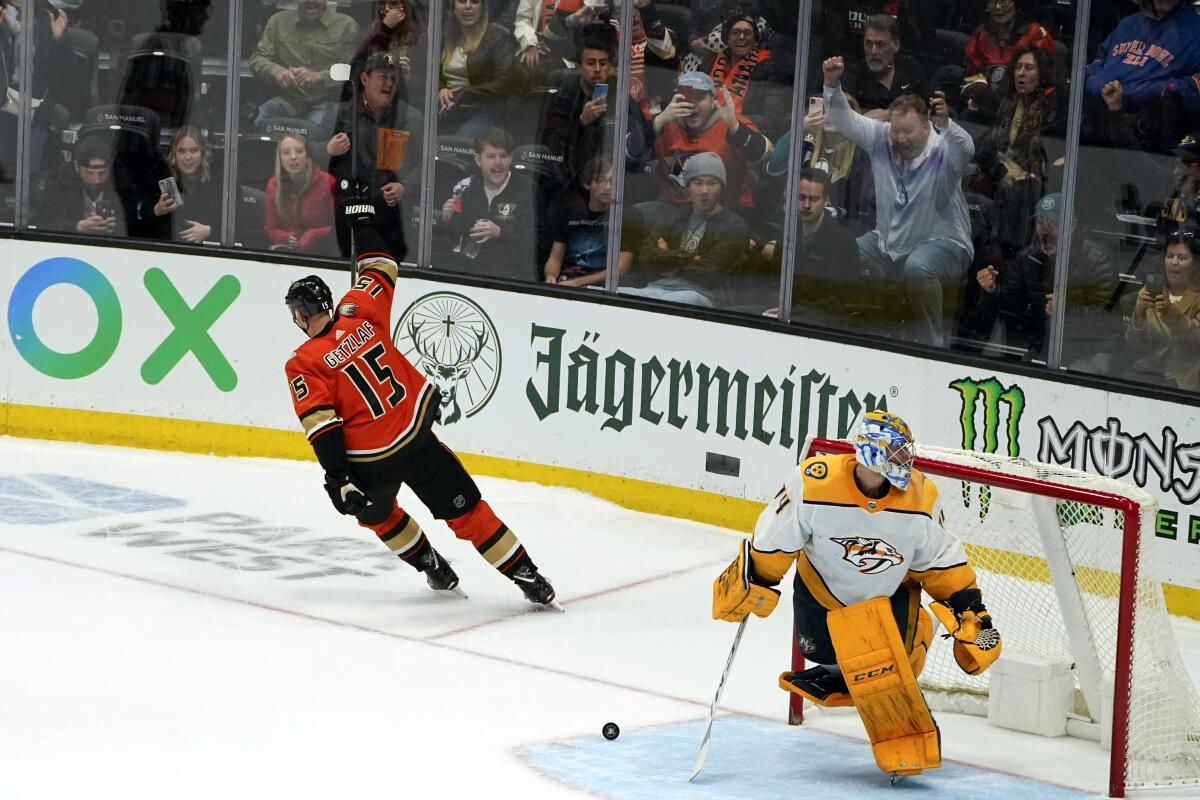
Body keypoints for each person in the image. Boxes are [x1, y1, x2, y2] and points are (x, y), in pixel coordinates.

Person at [283, 190, 557, 606]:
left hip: (370, 458)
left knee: (377, 514)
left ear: (301, 315)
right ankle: (528, 576)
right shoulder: (359, 309)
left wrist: (338, 477)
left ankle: (431, 565)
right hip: (415, 434)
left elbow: (324, 426)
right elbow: (382, 264)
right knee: (467, 512)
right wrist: (362, 222)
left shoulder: (304, 361)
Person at [711, 410, 1002, 778]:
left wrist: (970, 609)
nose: (905, 461)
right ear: (871, 453)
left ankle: (912, 644)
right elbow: (776, 535)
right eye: (896, 454)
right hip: (822, 595)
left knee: (887, 674)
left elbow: (942, 560)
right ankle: (845, 671)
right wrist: (758, 577)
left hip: (888, 598)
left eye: (904, 453)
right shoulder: (814, 484)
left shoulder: (921, 495)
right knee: (819, 655)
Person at [824, 56, 976, 348]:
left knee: (919, 267)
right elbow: (844, 119)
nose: (901, 138)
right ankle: (851, 333)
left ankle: (934, 347)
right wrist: (832, 85)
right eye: (896, 130)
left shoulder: (942, 148)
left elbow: (966, 148)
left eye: (908, 131)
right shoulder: (882, 138)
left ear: (925, 128)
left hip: (945, 243)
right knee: (845, 251)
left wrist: (947, 124)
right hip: (890, 243)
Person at [974, 192, 1118, 366]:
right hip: (1045, 348)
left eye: (1053, 224)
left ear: (1072, 226)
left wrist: (1069, 311)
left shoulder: (1099, 260)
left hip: (1092, 349)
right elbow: (1009, 312)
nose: (1045, 231)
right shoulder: (1027, 259)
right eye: (1040, 222)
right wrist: (991, 291)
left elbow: (1107, 319)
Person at [624, 151, 748, 309]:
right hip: (656, 289)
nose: (705, 190)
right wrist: (686, 258)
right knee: (609, 293)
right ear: (688, 186)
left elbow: (709, 272)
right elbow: (646, 256)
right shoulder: (671, 216)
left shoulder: (734, 225)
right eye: (697, 183)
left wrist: (666, 260)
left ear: (721, 187)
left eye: (712, 183)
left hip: (700, 295)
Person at [328, 50, 421, 258]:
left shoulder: (411, 117)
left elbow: (426, 165)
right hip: (347, 211)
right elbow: (308, 152)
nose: (388, 84)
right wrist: (327, 150)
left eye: (393, 78)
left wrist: (404, 186)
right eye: (382, 77)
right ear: (364, 79)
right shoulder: (342, 113)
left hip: (391, 215)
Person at [1083, 0, 1200, 150]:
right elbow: (1101, 57)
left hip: (1153, 145)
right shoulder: (1128, 24)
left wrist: (1158, 91)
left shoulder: (1195, 30)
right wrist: (1094, 80)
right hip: (1097, 133)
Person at [652, 71, 771, 213]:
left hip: (726, 212)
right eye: (686, 98)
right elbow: (626, 154)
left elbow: (766, 154)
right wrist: (655, 125)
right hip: (672, 209)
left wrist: (736, 129)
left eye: (700, 98)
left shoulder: (730, 120)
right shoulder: (665, 123)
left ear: (712, 100)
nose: (692, 105)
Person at [758, 168, 866, 325]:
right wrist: (778, 305)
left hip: (821, 321)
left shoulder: (842, 241)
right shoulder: (789, 231)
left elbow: (839, 300)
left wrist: (792, 311)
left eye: (814, 199)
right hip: (784, 311)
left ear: (826, 200)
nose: (806, 205)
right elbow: (775, 279)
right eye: (801, 198)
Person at [436, 126, 537, 279]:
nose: (498, 162)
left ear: (510, 159)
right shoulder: (465, 187)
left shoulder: (527, 190)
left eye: (503, 156)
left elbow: (534, 243)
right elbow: (456, 236)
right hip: (470, 270)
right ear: (478, 159)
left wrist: (500, 233)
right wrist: (447, 219)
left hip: (512, 274)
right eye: (491, 156)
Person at [249, 0, 358, 135]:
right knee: (259, 120)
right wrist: (277, 72)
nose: (311, 1)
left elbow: (354, 70)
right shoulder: (278, 22)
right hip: (289, 101)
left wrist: (320, 77)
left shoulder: (346, 25)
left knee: (314, 132)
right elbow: (257, 59)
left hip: (326, 103)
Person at [1125, 229, 1200, 391]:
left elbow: (1197, 341)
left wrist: (1170, 314)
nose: (1174, 263)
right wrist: (1138, 315)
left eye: (1182, 258)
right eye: (1170, 256)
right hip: (1149, 374)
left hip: (1187, 378)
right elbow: (1134, 346)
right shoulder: (1151, 291)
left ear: (1194, 263)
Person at [543, 156, 634, 286]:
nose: (608, 187)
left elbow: (621, 268)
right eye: (601, 181)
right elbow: (555, 258)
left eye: (613, 181)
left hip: (603, 287)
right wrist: (550, 277)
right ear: (587, 184)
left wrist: (577, 283)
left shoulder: (627, 215)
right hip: (567, 281)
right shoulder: (570, 211)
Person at [437, 0, 519, 138]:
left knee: (455, 144)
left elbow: (507, 81)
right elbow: (429, 72)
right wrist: (440, 87)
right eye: (462, 1)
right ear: (454, 7)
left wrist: (468, 92)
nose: (468, 6)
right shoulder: (444, 37)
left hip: (483, 110)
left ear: (482, 8)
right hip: (448, 110)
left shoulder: (497, 36)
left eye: (474, 2)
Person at [31, 133, 125, 237]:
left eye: (102, 173)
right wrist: (77, 227)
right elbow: (48, 220)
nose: (97, 180)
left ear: (110, 166)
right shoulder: (59, 182)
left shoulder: (122, 183)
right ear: (77, 166)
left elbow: (133, 223)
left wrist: (116, 228)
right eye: (89, 173)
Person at [839, 14, 929, 121]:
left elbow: (928, 111)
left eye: (880, 44)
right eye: (868, 44)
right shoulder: (854, 74)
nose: (873, 51)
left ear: (896, 45)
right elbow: (842, 117)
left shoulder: (911, 69)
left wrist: (890, 113)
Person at [961, 0, 1054, 96]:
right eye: (992, 2)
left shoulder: (1035, 34)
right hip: (987, 103)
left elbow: (1047, 79)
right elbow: (971, 75)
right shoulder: (980, 35)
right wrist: (976, 94)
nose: (998, 6)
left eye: (1004, 1)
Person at [265, 133, 337, 255]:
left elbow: (339, 227)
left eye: (299, 151)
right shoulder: (273, 185)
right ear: (280, 160)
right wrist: (284, 237)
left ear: (307, 157)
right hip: (287, 253)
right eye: (286, 153)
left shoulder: (328, 182)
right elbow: (270, 229)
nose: (293, 157)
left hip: (324, 254)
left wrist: (312, 235)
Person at [153, 125, 221, 245]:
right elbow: (138, 221)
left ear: (202, 153)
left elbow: (239, 221)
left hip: (208, 251)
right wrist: (156, 210)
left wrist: (210, 231)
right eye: (181, 151)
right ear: (173, 154)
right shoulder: (161, 176)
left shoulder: (219, 179)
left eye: (194, 150)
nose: (188, 157)